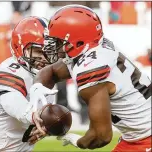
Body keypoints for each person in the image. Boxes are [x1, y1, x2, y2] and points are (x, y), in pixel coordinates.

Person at [29, 5, 151, 151]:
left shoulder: (91, 68)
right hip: (138, 135)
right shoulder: (94, 49)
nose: (55, 45)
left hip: (145, 138)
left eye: (59, 41)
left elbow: (101, 136)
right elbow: (51, 72)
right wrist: (37, 90)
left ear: (78, 41)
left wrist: (80, 141)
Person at [0, 16, 58, 151]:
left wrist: (49, 126)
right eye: (38, 51)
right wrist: (36, 118)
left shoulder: (46, 76)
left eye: (49, 52)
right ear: (20, 48)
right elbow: (14, 104)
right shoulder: (9, 71)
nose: (45, 58)